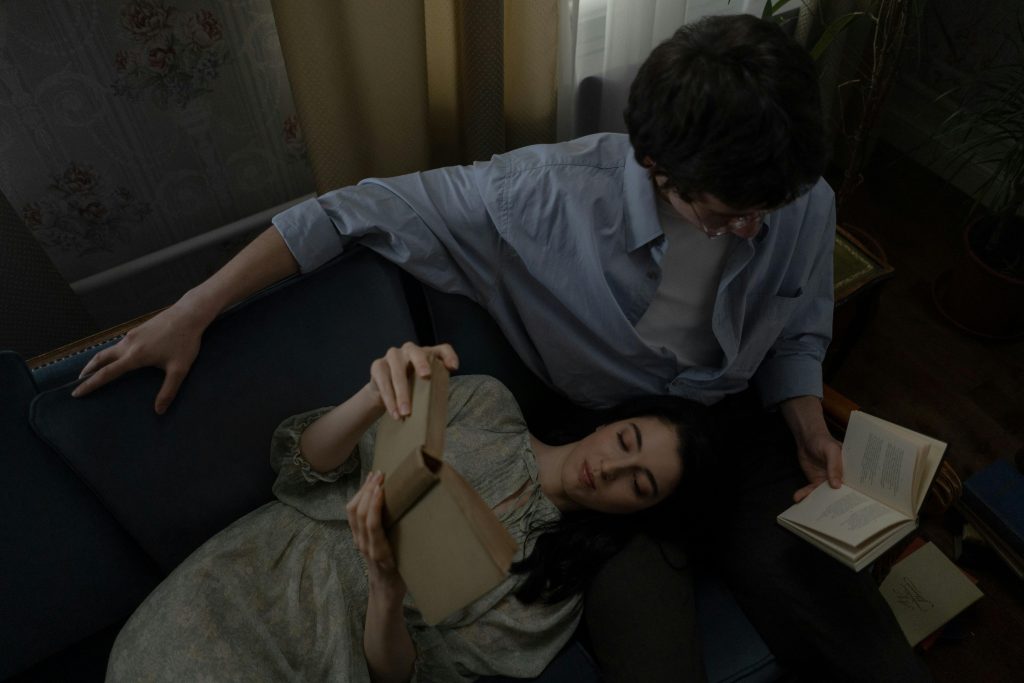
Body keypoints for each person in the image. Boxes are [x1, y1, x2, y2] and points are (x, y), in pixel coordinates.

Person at [77, 13, 931, 683]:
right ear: (654, 167)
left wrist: (805, 410)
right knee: (652, 649)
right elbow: (344, 210)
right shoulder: (535, 199)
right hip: (605, 438)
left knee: (829, 605)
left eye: (767, 213)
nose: (750, 231)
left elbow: (799, 317)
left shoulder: (794, 194)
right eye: (724, 214)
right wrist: (194, 306)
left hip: (733, 426)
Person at [105, 342, 707, 682]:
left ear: (641, 511)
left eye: (640, 485)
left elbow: (408, 679)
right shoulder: (490, 404)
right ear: (610, 420)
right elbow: (307, 465)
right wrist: (373, 393)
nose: (609, 469)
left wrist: (386, 587)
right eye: (626, 443)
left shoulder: (555, 589)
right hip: (243, 581)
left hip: (333, 661)